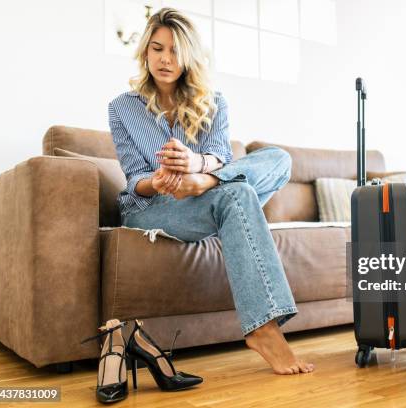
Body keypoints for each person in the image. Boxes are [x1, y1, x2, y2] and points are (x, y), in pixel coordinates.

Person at [106, 7, 314, 383]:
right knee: (239, 194)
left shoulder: (213, 101)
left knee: (278, 159)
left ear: (189, 56)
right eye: (157, 49)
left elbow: (221, 154)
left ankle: (210, 185)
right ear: (145, 53)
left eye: (175, 50)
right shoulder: (122, 108)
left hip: (202, 194)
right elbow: (133, 178)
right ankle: (264, 328)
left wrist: (198, 168)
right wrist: (163, 179)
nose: (166, 59)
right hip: (152, 207)